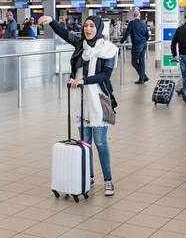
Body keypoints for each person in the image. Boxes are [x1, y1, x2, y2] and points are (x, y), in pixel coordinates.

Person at [39, 14, 118, 196]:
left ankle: (108, 181)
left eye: (91, 26)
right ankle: (88, 177)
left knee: (100, 142)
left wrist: (84, 80)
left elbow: (105, 75)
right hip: (81, 100)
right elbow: (64, 33)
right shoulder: (80, 44)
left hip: (98, 99)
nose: (88, 29)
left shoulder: (108, 49)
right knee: (85, 143)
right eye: (85, 26)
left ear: (98, 28)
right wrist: (51, 21)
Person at [119, 10, 150, 84]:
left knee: (134, 62)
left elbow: (127, 33)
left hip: (137, 45)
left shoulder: (132, 23)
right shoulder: (144, 24)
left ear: (134, 16)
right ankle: (142, 78)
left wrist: (121, 41)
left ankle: (143, 77)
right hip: (144, 44)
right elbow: (147, 36)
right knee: (141, 61)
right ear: (139, 16)